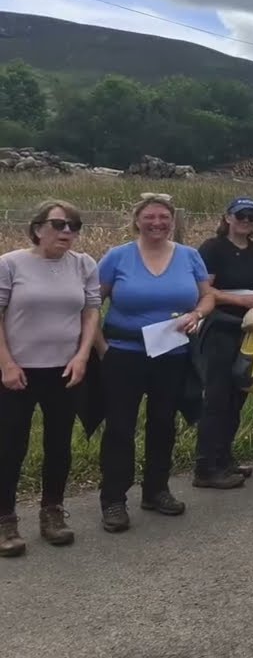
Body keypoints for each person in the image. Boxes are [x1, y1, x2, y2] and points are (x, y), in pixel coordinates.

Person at [97, 193, 215, 532]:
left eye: (164, 217)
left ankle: (156, 490)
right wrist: (102, 348)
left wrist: (197, 314)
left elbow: (207, 295)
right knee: (120, 427)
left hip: (171, 353)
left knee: (163, 423)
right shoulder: (117, 257)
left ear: (173, 221)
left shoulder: (189, 256)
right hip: (124, 353)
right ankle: (114, 499)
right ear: (137, 220)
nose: (157, 223)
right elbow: (91, 303)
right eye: (149, 217)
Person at [0, 200, 100, 555]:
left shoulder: (84, 265)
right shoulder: (10, 264)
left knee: (58, 445)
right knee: (10, 446)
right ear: (37, 227)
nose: (67, 232)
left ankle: (52, 513)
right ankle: (5, 520)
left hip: (65, 370)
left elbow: (91, 312)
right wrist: (6, 364)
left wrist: (82, 355)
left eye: (74, 226)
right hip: (18, 372)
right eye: (59, 224)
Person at [193, 197, 253, 490]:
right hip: (220, 328)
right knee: (217, 397)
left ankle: (224, 458)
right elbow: (204, 290)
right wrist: (240, 300)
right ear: (227, 217)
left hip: (249, 328)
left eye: (252, 217)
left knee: (238, 395)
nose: (246, 221)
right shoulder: (212, 248)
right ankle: (205, 467)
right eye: (241, 215)